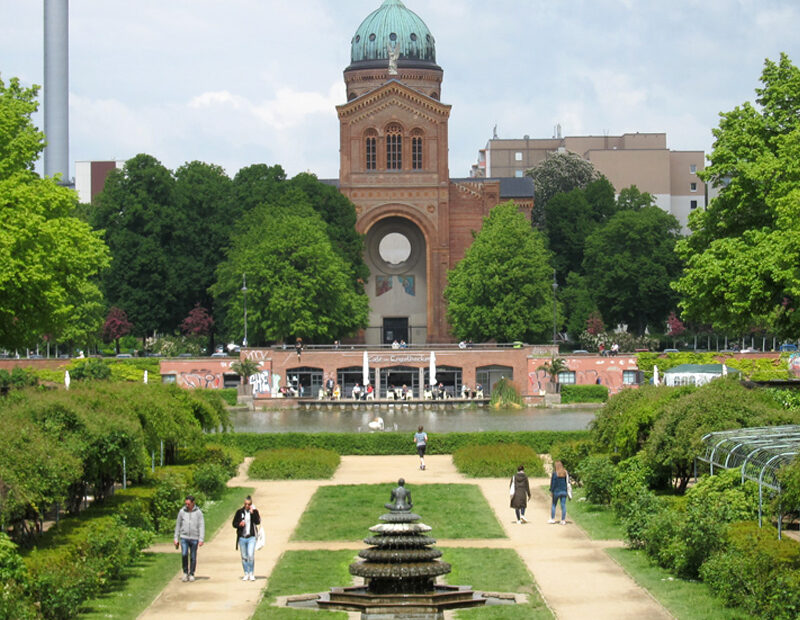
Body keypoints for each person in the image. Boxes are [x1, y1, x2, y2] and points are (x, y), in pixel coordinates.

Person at [174, 495, 205, 582]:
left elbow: (201, 525)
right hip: (184, 537)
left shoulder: (198, 512)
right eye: (186, 504)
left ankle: (191, 573)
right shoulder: (182, 512)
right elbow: (178, 525)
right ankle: (185, 572)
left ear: (193, 503)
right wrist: (176, 538)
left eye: (188, 504)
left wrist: (201, 538)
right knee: (184, 554)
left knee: (193, 556)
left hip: (194, 537)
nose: (187, 506)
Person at [232, 495, 261, 581]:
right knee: (244, 556)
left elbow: (257, 522)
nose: (247, 506)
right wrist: (239, 524)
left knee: (250, 555)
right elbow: (234, 523)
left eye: (249, 504)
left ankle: (251, 573)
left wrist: (253, 514)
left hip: (251, 537)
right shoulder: (239, 512)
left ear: (251, 504)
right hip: (242, 538)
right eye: (245, 504)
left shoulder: (254, 512)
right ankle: (246, 573)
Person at [549, 460, 569, 524]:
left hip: (556, 491)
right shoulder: (565, 473)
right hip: (564, 491)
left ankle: (552, 519)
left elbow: (553, 483)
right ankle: (563, 520)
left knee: (554, 505)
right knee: (563, 505)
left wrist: (551, 491)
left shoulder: (555, 474)